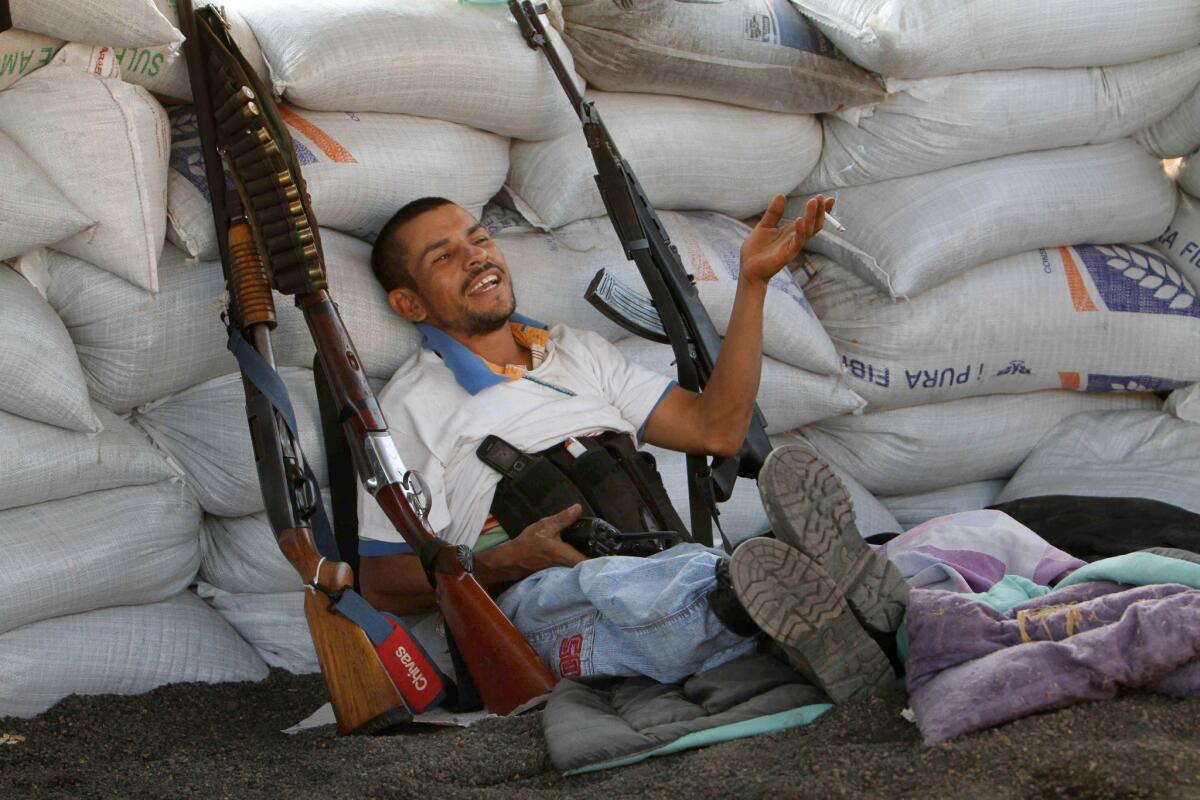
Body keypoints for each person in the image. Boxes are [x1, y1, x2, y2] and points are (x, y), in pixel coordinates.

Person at [355, 194, 908, 702]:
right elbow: (380, 584)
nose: (476, 258)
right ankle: (782, 597)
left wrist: (753, 283)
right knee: (628, 589)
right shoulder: (408, 407)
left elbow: (716, 430)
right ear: (409, 304)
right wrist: (507, 561)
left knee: (679, 578)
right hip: (540, 602)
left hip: (668, 565)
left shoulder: (578, 352)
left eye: (479, 239)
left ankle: (787, 601)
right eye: (444, 257)